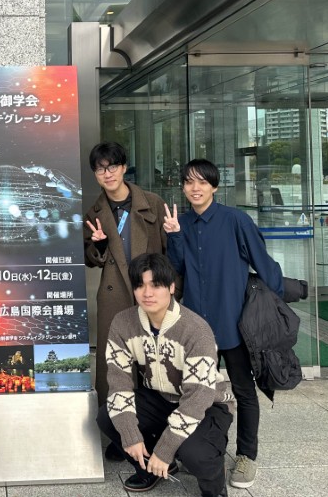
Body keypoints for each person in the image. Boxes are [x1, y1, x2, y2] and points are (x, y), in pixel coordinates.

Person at [163, 159, 283, 490]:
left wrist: (277, 304)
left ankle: (246, 456)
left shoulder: (236, 220)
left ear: (214, 186)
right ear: (183, 187)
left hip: (234, 323)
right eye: (189, 182)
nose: (195, 188)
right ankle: (202, 450)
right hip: (197, 328)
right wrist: (173, 235)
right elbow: (176, 268)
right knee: (194, 391)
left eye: (203, 182)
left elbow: (263, 262)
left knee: (243, 390)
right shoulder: (181, 223)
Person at [96, 253, 233, 496]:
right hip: (160, 396)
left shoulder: (196, 330)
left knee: (195, 453)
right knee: (108, 416)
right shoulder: (123, 323)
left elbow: (198, 398)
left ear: (171, 287)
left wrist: (165, 449)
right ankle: (152, 469)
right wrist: (130, 434)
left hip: (207, 403)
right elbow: (119, 383)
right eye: (140, 285)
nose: (147, 293)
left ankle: (214, 487)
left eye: (156, 285)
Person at [83, 141, 167, 459]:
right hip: (115, 296)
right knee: (116, 366)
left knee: (155, 362)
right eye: (100, 169)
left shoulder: (153, 204)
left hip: (152, 294)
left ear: (124, 167)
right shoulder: (95, 213)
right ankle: (122, 434)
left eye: (113, 166)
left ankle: (155, 431)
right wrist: (98, 246)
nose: (108, 174)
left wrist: (173, 294)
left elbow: (170, 252)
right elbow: (90, 258)